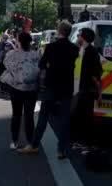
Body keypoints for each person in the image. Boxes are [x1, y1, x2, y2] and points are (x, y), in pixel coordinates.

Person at [20, 21, 78, 159]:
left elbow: (41, 64)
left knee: (43, 117)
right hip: (67, 87)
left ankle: (34, 145)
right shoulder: (74, 48)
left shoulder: (51, 47)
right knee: (64, 120)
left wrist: (48, 69)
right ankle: (61, 150)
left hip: (52, 85)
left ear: (59, 31)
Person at [0, 32, 41, 150]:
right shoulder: (35, 54)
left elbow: (6, 64)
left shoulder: (12, 54)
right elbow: (40, 69)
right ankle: (29, 141)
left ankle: (15, 141)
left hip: (16, 88)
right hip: (31, 89)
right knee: (29, 116)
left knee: (16, 115)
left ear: (19, 41)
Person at [72, 28, 103, 149]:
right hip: (80, 90)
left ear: (83, 37)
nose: (78, 37)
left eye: (79, 35)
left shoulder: (91, 52)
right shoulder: (81, 50)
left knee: (85, 118)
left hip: (87, 91)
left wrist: (99, 94)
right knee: (80, 117)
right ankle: (82, 142)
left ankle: (87, 143)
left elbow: (96, 75)